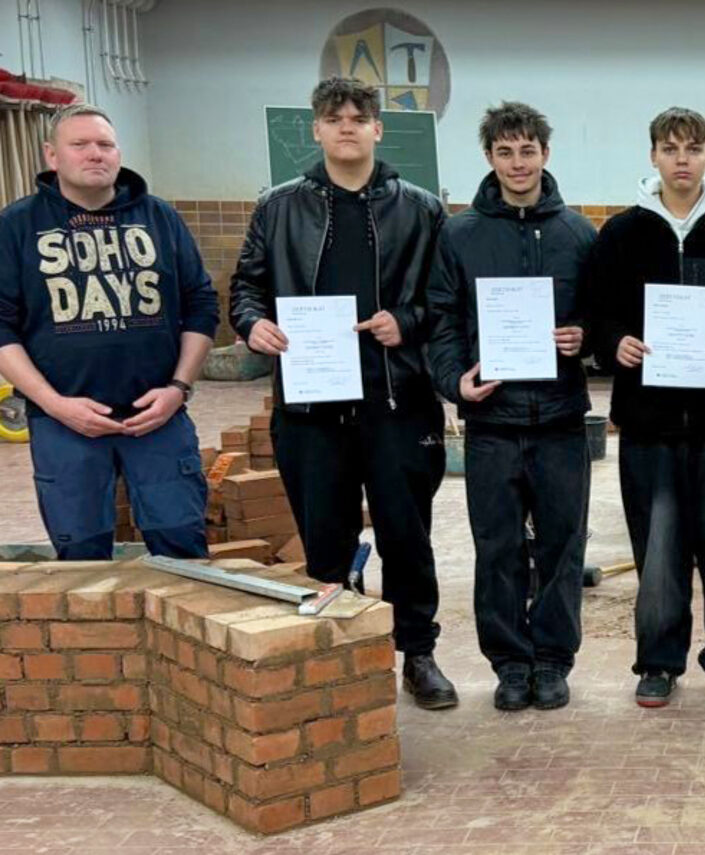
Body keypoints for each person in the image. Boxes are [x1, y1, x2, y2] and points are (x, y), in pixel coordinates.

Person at [229, 78, 454, 710]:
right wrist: (252, 324)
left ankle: (419, 655)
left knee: (407, 537)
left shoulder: (421, 208)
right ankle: (338, 657)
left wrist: (404, 320)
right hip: (310, 408)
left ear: (379, 129)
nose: (348, 126)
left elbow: (445, 299)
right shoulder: (277, 207)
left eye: (360, 117)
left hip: (396, 401)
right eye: (335, 118)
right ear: (318, 129)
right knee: (324, 542)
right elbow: (246, 285)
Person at [588, 107, 705, 709]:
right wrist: (615, 344)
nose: (682, 159)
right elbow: (598, 315)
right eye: (670, 148)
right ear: (653, 156)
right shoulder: (620, 235)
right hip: (650, 425)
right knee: (657, 552)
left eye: (693, 148)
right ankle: (658, 662)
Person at [426, 101, 594, 712]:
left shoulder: (578, 234)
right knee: (496, 546)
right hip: (491, 422)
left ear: (545, 155)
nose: (517, 163)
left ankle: (552, 660)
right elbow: (442, 318)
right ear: (489, 157)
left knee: (561, 544)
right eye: (505, 152)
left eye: (528, 151)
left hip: (560, 421)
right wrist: (454, 381)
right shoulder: (461, 234)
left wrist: (586, 339)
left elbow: (600, 320)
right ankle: (509, 663)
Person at [0, 104, 217, 561]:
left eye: (105, 145)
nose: (94, 154)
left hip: (156, 417)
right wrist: (53, 403)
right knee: (80, 551)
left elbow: (200, 306)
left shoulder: (161, 219)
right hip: (64, 422)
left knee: (181, 537)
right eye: (79, 145)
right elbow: (2, 327)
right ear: (51, 156)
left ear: (118, 153)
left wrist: (178, 388)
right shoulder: (16, 226)